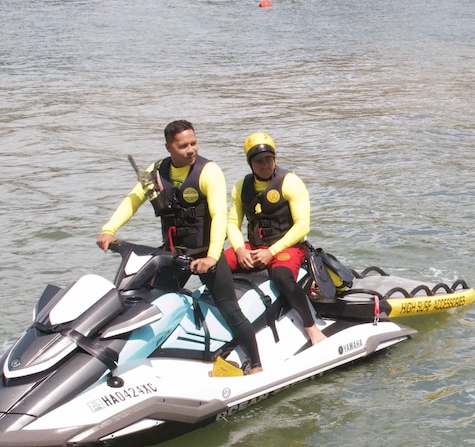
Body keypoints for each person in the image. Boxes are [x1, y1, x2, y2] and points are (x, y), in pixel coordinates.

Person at [96, 120, 262, 372]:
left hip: (207, 255)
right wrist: (109, 229)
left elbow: (219, 215)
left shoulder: (209, 172)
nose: (191, 150)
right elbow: (132, 200)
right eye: (183, 146)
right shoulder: (157, 172)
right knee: (148, 304)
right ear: (168, 147)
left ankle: (257, 365)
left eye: (194, 143)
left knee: (231, 310)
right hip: (174, 256)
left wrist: (213, 257)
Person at [225, 133, 327, 348]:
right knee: (217, 263)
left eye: (268, 159)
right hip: (252, 247)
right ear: (250, 163)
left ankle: (311, 327)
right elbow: (232, 223)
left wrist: (271, 252)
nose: (265, 165)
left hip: (287, 247)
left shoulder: (290, 182)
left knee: (281, 276)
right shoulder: (241, 187)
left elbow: (302, 226)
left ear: (275, 158)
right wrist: (239, 250)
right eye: (258, 161)